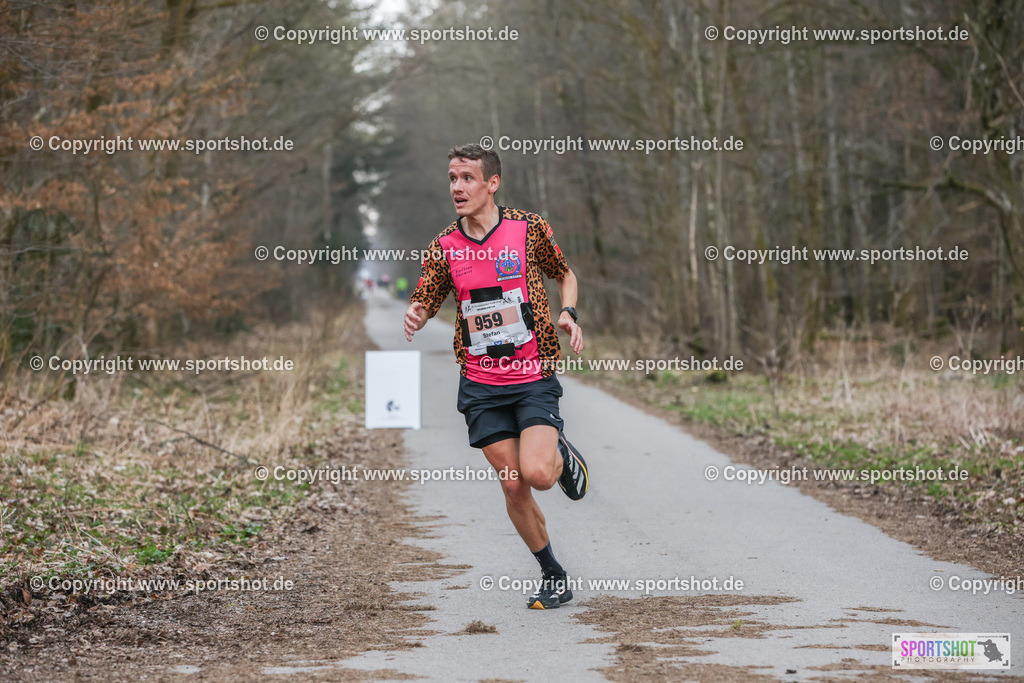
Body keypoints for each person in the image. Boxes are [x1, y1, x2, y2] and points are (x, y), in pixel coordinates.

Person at [403, 143, 588, 610]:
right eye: (451, 178)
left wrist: (568, 312)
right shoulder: (444, 246)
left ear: (492, 184)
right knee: (512, 483)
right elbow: (427, 297)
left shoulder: (528, 230)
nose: (457, 188)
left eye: (466, 178)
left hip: (531, 374)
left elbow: (565, 274)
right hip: (482, 386)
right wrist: (416, 314)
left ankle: (559, 454)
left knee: (539, 475)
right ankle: (553, 574)